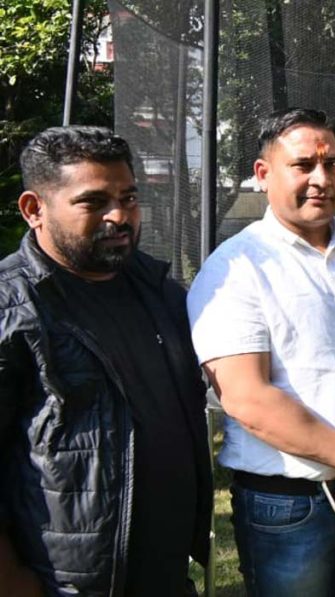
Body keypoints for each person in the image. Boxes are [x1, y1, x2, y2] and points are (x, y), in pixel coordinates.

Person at [187, 108, 335, 596]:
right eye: (303, 165)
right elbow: (246, 397)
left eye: (331, 164)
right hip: (288, 507)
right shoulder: (235, 268)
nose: (321, 179)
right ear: (263, 174)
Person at [0, 126, 212, 596]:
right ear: (34, 209)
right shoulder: (12, 309)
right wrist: (13, 583)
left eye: (128, 198)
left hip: (166, 575)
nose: (119, 216)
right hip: (66, 585)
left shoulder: (159, 292)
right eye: (93, 202)